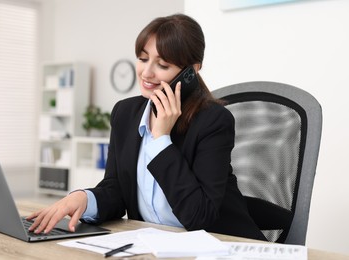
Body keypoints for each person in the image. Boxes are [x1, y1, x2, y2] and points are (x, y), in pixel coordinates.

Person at [27, 13, 266, 241]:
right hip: (153, 246)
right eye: (143, 59)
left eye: (162, 65)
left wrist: (161, 139)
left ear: (190, 72)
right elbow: (117, 190)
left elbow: (199, 216)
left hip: (222, 246)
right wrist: (83, 198)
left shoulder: (213, 121)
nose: (147, 72)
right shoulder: (125, 113)